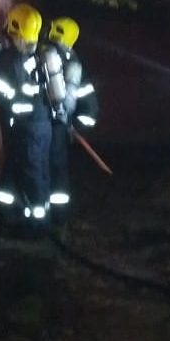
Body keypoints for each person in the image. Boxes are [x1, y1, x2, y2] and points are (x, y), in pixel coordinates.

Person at [0, 2, 53, 227]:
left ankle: (37, 225)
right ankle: (6, 213)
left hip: (25, 127)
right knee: (21, 168)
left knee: (31, 173)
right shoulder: (35, 55)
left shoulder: (9, 59)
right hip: (40, 125)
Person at [38, 16, 99, 225]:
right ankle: (59, 218)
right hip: (60, 126)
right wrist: (75, 124)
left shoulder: (42, 53)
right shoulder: (74, 62)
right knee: (57, 170)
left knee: (38, 166)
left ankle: (40, 216)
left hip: (40, 123)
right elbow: (89, 102)